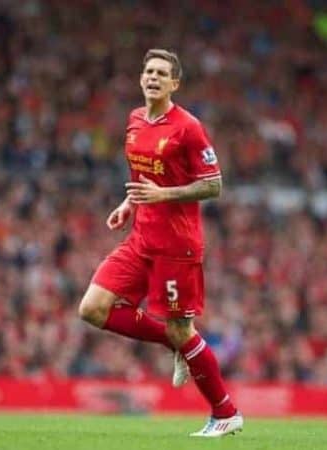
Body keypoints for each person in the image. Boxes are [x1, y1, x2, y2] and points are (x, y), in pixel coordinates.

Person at [78, 49, 243, 437]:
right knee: (92, 308)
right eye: (148, 71)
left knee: (181, 330)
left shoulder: (189, 128)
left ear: (174, 84)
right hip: (141, 239)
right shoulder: (134, 120)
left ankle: (226, 412)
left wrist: (163, 196)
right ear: (141, 78)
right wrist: (127, 204)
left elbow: (214, 185)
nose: (153, 77)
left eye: (161, 73)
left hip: (177, 246)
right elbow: (141, 174)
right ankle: (178, 346)